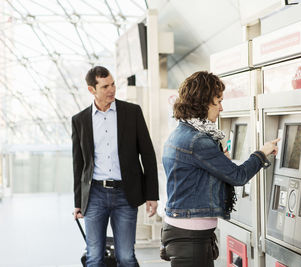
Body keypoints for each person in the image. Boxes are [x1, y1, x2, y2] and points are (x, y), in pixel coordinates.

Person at [161, 71, 279, 267]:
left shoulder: (181, 133)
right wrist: (262, 153)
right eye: (218, 101)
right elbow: (238, 176)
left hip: (183, 230)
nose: (221, 108)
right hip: (191, 236)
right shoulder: (198, 140)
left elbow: (193, 176)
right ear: (203, 102)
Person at [72, 66, 159, 267]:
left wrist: (151, 194)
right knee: (94, 256)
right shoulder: (80, 120)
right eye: (105, 87)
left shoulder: (132, 112)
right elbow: (79, 165)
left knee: (127, 257)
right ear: (91, 90)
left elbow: (147, 154)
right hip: (94, 194)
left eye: (112, 84)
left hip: (125, 194)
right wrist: (79, 201)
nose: (111, 90)